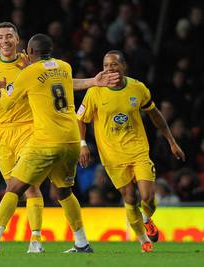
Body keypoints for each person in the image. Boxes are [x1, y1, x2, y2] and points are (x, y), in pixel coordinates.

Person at [0, 22, 118, 253]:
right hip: (7, 134)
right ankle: (81, 242)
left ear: (20, 42)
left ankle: (20, 239)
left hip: (34, 132)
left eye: (9, 36)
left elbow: (10, 96)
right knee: (58, 190)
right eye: (0, 37)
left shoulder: (28, 67)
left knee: (23, 188)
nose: (4, 41)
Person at [0, 33, 94, 254]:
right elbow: (68, 84)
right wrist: (94, 81)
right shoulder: (64, 67)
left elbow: (8, 101)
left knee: (14, 187)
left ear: (29, 52)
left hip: (46, 140)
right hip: (71, 140)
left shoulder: (28, 72)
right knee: (64, 192)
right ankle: (82, 242)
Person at [77, 50, 186, 252]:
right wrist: (82, 144)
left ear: (123, 66)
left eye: (114, 65)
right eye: (106, 65)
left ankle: (146, 218)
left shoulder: (137, 88)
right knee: (130, 197)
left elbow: (154, 113)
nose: (110, 69)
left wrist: (171, 141)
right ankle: (143, 239)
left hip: (138, 151)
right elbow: (80, 120)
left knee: (147, 196)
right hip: (112, 156)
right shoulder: (95, 92)